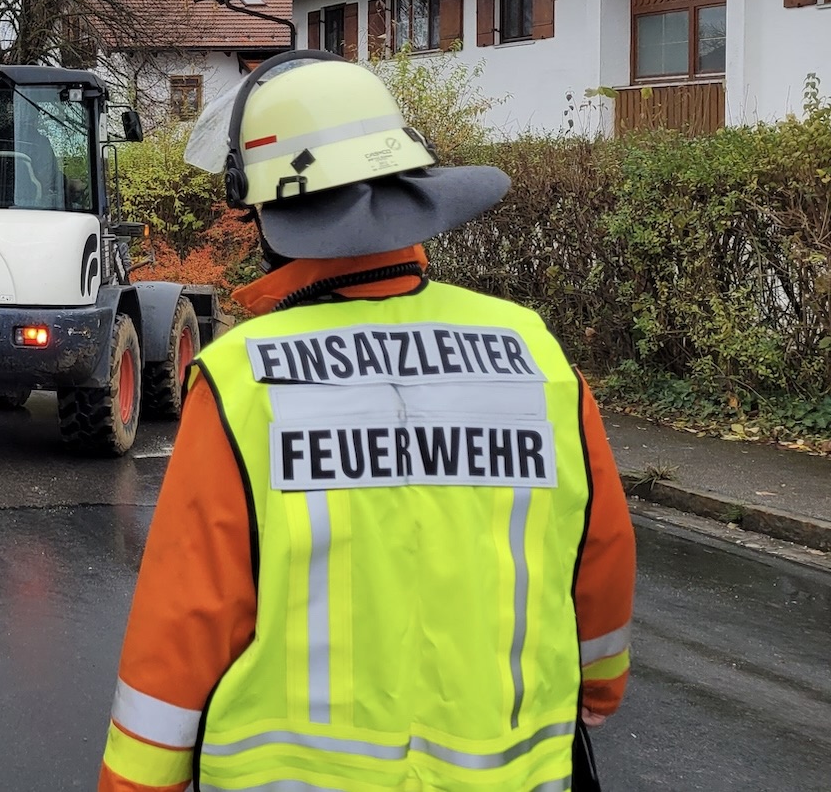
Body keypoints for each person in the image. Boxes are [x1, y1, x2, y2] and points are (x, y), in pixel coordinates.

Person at [98, 50, 635, 792]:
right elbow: (599, 551)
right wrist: (599, 684)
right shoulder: (533, 354)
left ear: (266, 214)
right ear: (408, 186)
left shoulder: (244, 379)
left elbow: (185, 622)